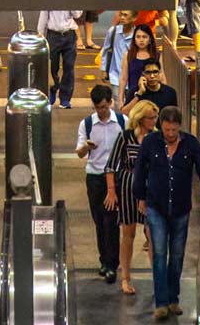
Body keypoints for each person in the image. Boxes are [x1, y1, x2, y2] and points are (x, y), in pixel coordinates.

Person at [133, 106, 200, 319]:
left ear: (179, 127)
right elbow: (140, 170)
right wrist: (140, 197)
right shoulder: (150, 143)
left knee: (177, 255)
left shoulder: (191, 144)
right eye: (166, 129)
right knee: (160, 254)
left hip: (181, 208)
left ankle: (173, 298)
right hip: (155, 207)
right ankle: (161, 302)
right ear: (161, 126)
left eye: (174, 130)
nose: (170, 134)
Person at [105, 99, 160, 294]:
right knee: (128, 234)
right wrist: (111, 191)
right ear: (140, 119)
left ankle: (158, 279)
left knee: (153, 234)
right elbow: (111, 166)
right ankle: (125, 278)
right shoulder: (125, 137)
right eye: (150, 118)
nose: (154, 121)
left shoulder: (157, 138)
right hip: (128, 187)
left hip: (150, 189)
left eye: (155, 117)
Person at [76, 85, 125, 284]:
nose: (101, 111)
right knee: (99, 220)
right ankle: (104, 261)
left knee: (111, 222)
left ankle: (112, 264)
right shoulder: (87, 124)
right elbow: (79, 153)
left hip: (115, 176)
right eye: (97, 107)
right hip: (95, 176)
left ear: (110, 103)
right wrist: (86, 146)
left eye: (104, 107)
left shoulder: (122, 122)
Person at [37, 8, 83, 108]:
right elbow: (43, 16)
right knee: (52, 67)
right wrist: (40, 36)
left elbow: (77, 15)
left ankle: (65, 98)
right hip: (53, 35)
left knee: (69, 67)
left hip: (69, 35)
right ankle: (53, 88)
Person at [100, 9, 137, 108]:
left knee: (131, 104)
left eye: (125, 15)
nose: (122, 18)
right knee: (117, 101)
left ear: (134, 18)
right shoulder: (113, 31)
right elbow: (106, 50)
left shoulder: (137, 35)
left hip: (132, 77)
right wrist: (104, 70)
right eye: (121, 15)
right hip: (115, 75)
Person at [119, 24, 159, 107]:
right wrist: (120, 99)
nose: (141, 40)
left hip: (153, 97)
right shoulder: (128, 55)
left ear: (150, 39)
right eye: (138, 37)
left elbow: (161, 77)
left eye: (144, 37)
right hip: (133, 97)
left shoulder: (156, 55)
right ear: (134, 39)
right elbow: (123, 78)